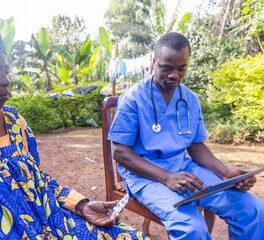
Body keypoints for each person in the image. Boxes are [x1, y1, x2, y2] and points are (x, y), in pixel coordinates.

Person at [0, 15, 148, 240]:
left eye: (5, 70)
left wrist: (80, 204)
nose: (5, 80)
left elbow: (36, 181)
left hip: (52, 226)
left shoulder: (14, 122)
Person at [108, 32, 264, 240]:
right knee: (192, 228)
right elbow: (120, 152)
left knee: (252, 210)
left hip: (184, 169)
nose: (174, 75)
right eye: (167, 68)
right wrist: (165, 177)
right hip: (145, 176)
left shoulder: (190, 98)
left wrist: (225, 173)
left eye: (182, 68)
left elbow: (196, 146)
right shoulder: (133, 98)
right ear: (154, 63)